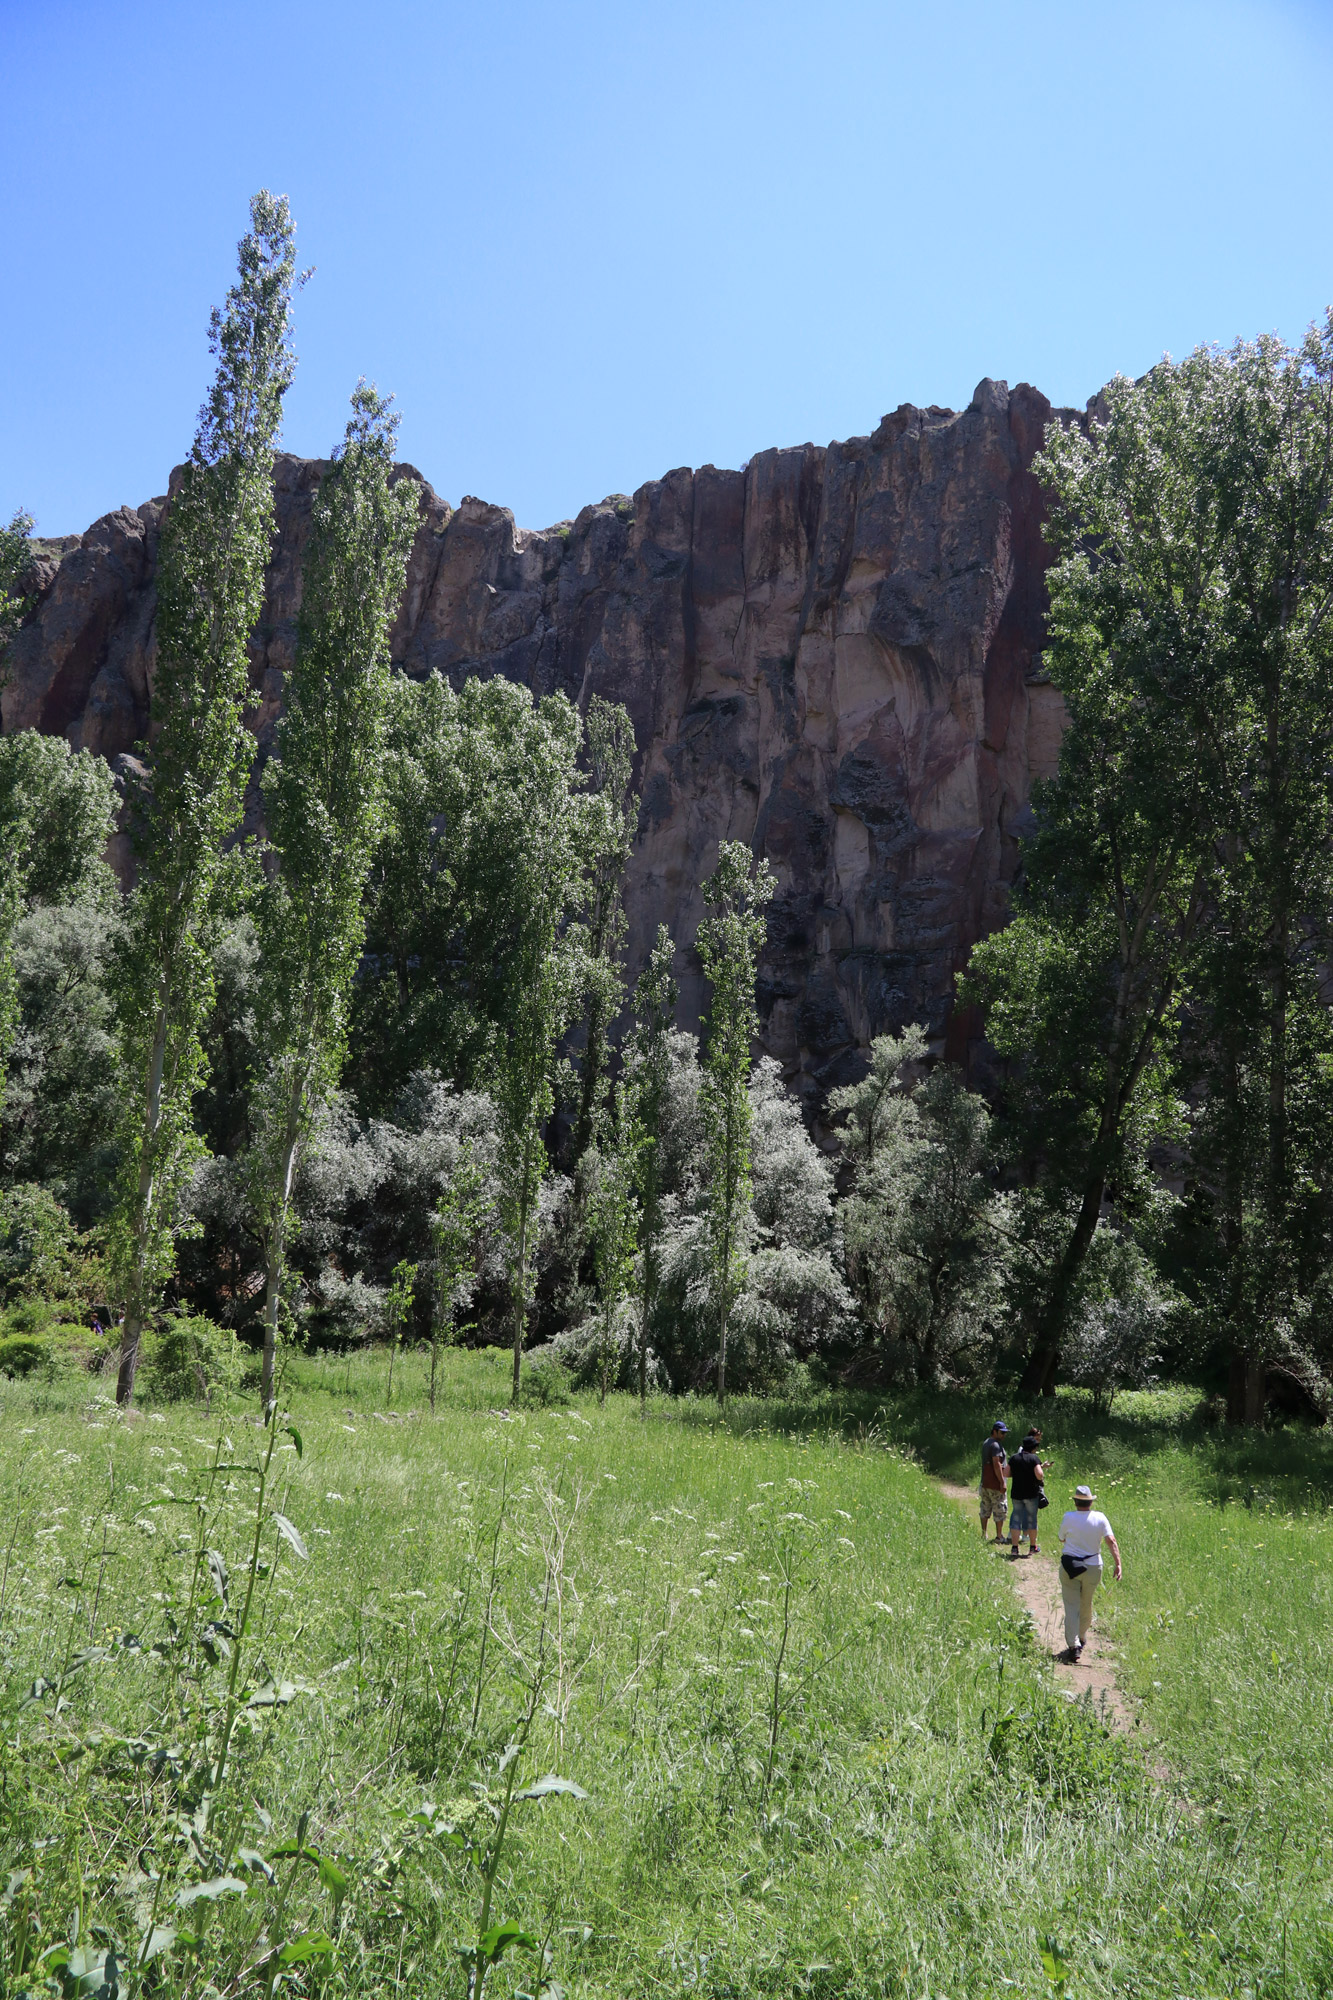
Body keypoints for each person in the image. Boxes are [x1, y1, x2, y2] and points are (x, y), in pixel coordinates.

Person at [1057, 1483, 1121, 1662]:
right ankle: (1082, 1636)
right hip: (1093, 1567)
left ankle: (1073, 1644)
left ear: (1076, 1501)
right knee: (1086, 1603)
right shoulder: (1100, 1518)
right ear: (1090, 1503)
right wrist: (1118, 1564)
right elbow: (1111, 1540)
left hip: (1070, 1566)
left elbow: (1061, 1538)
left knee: (1071, 1605)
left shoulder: (1068, 1517)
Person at [1007, 1428, 1045, 1559]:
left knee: (1016, 1519)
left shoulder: (1014, 1458)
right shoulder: (1034, 1459)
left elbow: (1006, 1473)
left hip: (1017, 1494)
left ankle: (1014, 1548)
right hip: (1031, 1494)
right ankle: (1032, 1547)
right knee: (1031, 1520)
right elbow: (1039, 1475)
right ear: (1033, 1447)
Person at [978, 1420, 1010, 1543]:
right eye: (1002, 1432)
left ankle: (983, 1533)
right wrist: (1002, 1482)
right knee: (1000, 1508)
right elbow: (997, 1464)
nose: (1004, 1435)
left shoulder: (986, 1443)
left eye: (1005, 1433)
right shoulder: (996, 1445)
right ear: (995, 1431)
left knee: (985, 1508)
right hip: (995, 1484)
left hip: (985, 1482)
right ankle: (999, 1536)